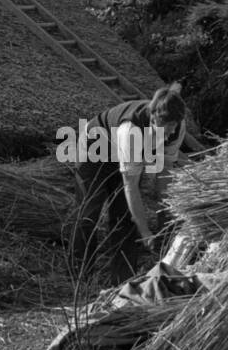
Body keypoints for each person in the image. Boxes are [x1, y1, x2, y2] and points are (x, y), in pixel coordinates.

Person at [70, 83, 187, 283]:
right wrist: (145, 232)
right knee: (90, 212)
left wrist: (165, 215)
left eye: (173, 126)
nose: (170, 132)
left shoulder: (177, 128)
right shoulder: (130, 130)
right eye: (165, 127)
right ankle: (81, 278)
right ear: (153, 118)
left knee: (124, 215)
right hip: (94, 147)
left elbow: (164, 174)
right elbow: (130, 186)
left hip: (123, 152)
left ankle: (122, 280)